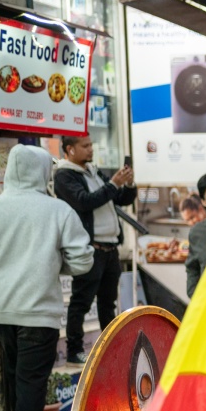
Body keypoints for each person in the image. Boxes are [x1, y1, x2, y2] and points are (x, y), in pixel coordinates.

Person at [0, 145, 93, 411]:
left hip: (2, 309)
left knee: (15, 380)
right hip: (39, 311)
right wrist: (54, 266)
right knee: (31, 385)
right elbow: (83, 261)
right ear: (44, 172)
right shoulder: (58, 211)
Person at [54, 136, 136, 365]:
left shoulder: (93, 170)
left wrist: (127, 183)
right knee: (81, 301)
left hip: (110, 249)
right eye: (85, 146)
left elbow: (121, 199)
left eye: (91, 144)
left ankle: (111, 348)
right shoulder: (64, 175)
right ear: (70, 149)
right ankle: (74, 351)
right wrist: (113, 185)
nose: (91, 149)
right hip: (90, 249)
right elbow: (84, 201)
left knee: (107, 303)